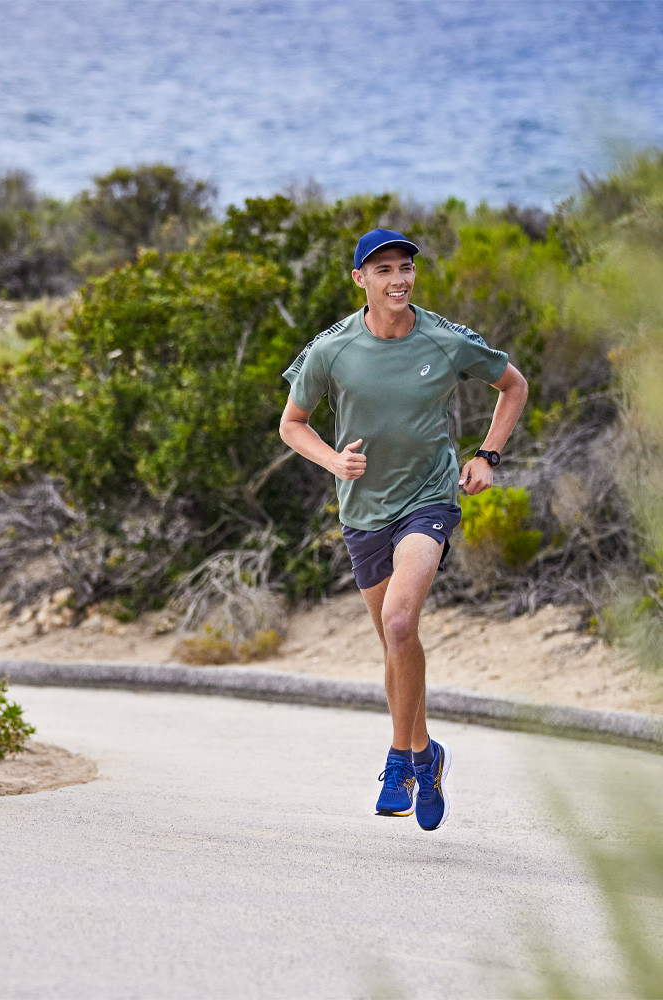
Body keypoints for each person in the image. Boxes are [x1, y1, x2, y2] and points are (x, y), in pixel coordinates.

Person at [279, 228, 529, 831]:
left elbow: (513, 385)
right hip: (363, 511)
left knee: (398, 622)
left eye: (406, 268)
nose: (399, 279)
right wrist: (334, 461)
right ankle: (425, 754)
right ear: (360, 279)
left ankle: (398, 763)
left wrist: (487, 457)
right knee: (395, 645)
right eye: (384, 269)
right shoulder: (331, 349)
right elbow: (293, 423)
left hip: (429, 500)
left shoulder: (444, 339)